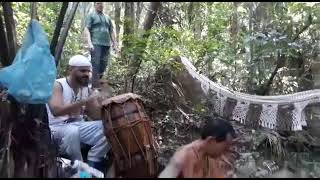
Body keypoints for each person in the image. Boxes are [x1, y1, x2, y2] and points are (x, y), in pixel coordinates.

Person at [46, 55, 109, 172]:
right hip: (56, 128)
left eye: (89, 71)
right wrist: (85, 101)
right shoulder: (57, 85)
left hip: (77, 126)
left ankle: (94, 159)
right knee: (73, 132)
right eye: (82, 71)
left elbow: (96, 117)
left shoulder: (85, 89)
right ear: (71, 70)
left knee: (108, 126)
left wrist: (102, 99)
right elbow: (56, 111)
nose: (87, 74)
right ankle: (82, 172)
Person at [158, 116, 238, 178]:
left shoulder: (213, 158)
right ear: (211, 141)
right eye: (225, 146)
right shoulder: (183, 157)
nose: (227, 150)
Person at [84, 2, 118, 89]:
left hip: (106, 44)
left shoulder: (107, 17)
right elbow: (87, 29)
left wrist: (115, 43)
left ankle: (97, 83)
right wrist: (89, 43)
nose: (100, 5)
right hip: (96, 43)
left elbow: (111, 31)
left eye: (101, 3)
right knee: (96, 64)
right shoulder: (91, 15)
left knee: (103, 65)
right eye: (98, 3)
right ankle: (94, 87)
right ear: (95, 5)